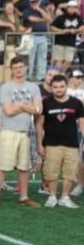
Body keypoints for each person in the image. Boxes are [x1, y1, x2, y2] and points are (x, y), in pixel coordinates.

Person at [0, 56, 43, 209]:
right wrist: (28, 106)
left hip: (25, 132)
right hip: (8, 131)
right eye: (15, 67)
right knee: (2, 166)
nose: (18, 70)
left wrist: (19, 105)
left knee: (24, 167)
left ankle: (24, 196)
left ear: (26, 67)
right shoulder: (6, 87)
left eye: (21, 66)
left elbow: (39, 110)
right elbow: (8, 110)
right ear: (11, 69)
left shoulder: (34, 87)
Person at [36, 74, 84, 207]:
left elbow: (82, 123)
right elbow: (39, 125)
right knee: (51, 171)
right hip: (51, 143)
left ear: (66, 86)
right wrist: (39, 143)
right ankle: (52, 196)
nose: (59, 89)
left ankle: (65, 197)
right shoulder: (46, 103)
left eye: (62, 86)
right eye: (55, 87)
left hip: (72, 144)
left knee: (70, 172)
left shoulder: (76, 103)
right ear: (51, 88)